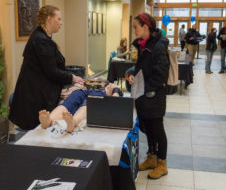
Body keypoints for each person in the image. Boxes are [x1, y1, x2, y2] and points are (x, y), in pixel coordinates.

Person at [9, 5, 84, 130]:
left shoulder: (42, 36)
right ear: (49, 19)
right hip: (34, 98)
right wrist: (73, 78)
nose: (61, 23)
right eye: (58, 19)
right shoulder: (41, 40)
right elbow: (51, 71)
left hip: (36, 93)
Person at [128, 13, 170, 179]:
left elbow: (160, 76)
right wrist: (132, 74)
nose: (133, 30)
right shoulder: (142, 45)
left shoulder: (158, 46)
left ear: (145, 27)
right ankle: (151, 157)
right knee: (149, 130)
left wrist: (143, 88)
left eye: (135, 27)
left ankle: (162, 163)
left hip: (154, 96)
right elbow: (141, 69)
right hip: (144, 96)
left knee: (158, 130)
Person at [39, 83, 122, 132]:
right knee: (68, 104)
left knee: (88, 103)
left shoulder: (111, 88)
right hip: (81, 91)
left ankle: (73, 122)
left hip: (100, 95)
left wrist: (113, 91)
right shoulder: (83, 88)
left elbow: (116, 96)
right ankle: (50, 119)